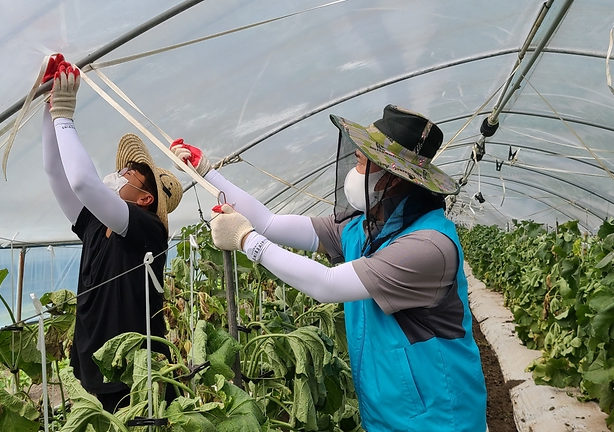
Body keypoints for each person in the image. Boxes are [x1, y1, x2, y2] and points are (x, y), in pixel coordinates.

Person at [172, 105, 487, 431]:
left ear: (390, 178)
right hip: (389, 410)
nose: (354, 164)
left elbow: (327, 284)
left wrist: (247, 241)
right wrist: (208, 172)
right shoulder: (364, 228)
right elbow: (269, 222)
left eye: (363, 161)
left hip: (438, 417)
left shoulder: (426, 246)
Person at [41, 56, 183, 411]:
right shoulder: (93, 222)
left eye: (130, 173)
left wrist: (65, 115)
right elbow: (56, 174)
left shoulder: (150, 231)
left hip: (134, 377)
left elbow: (83, 182)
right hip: (90, 369)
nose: (118, 172)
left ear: (146, 198)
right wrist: (49, 109)